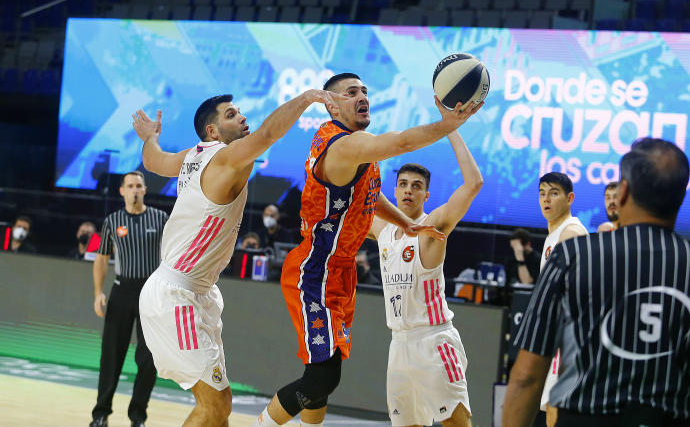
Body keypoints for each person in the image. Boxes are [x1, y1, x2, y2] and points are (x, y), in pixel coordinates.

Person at [252, 72, 483, 427]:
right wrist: (448, 124)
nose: (362, 96)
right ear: (331, 104)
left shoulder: (358, 149)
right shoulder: (343, 145)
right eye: (350, 92)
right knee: (322, 378)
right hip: (317, 268)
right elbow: (403, 142)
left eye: (364, 90)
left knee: (322, 377)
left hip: (341, 272)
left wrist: (402, 222)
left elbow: (369, 197)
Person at [132, 89, 348, 427]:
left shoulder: (193, 155)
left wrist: (149, 138)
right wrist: (307, 99)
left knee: (221, 407)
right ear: (213, 132)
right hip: (177, 296)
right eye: (231, 115)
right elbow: (269, 134)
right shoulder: (225, 158)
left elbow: (153, 160)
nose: (242, 117)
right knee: (214, 407)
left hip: (196, 293)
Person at [502, 138, 690, 427]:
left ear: (623, 192)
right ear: (681, 196)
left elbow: (526, 375)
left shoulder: (573, 253)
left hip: (583, 416)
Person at [367, 129, 482, 427]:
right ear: (394, 191)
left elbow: (473, 184)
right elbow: (354, 197)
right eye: (403, 184)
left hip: (433, 341)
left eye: (416, 186)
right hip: (399, 344)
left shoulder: (432, 227)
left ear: (426, 195)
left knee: (457, 424)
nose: (408, 190)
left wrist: (452, 128)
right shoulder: (382, 230)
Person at [90, 171, 168, 427]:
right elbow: (102, 259)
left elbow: (172, 256)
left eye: (139, 186)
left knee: (148, 360)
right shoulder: (113, 221)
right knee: (111, 356)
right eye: (130, 186)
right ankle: (100, 414)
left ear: (145, 190)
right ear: (122, 191)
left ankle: (138, 417)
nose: (135, 190)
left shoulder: (161, 218)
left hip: (151, 294)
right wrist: (98, 292)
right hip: (121, 291)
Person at [536, 171, 588, 427]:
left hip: (569, 338)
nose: (546, 199)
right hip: (556, 334)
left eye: (553, 193)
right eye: (542, 193)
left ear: (569, 198)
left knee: (556, 409)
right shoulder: (554, 234)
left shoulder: (572, 233)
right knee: (549, 409)